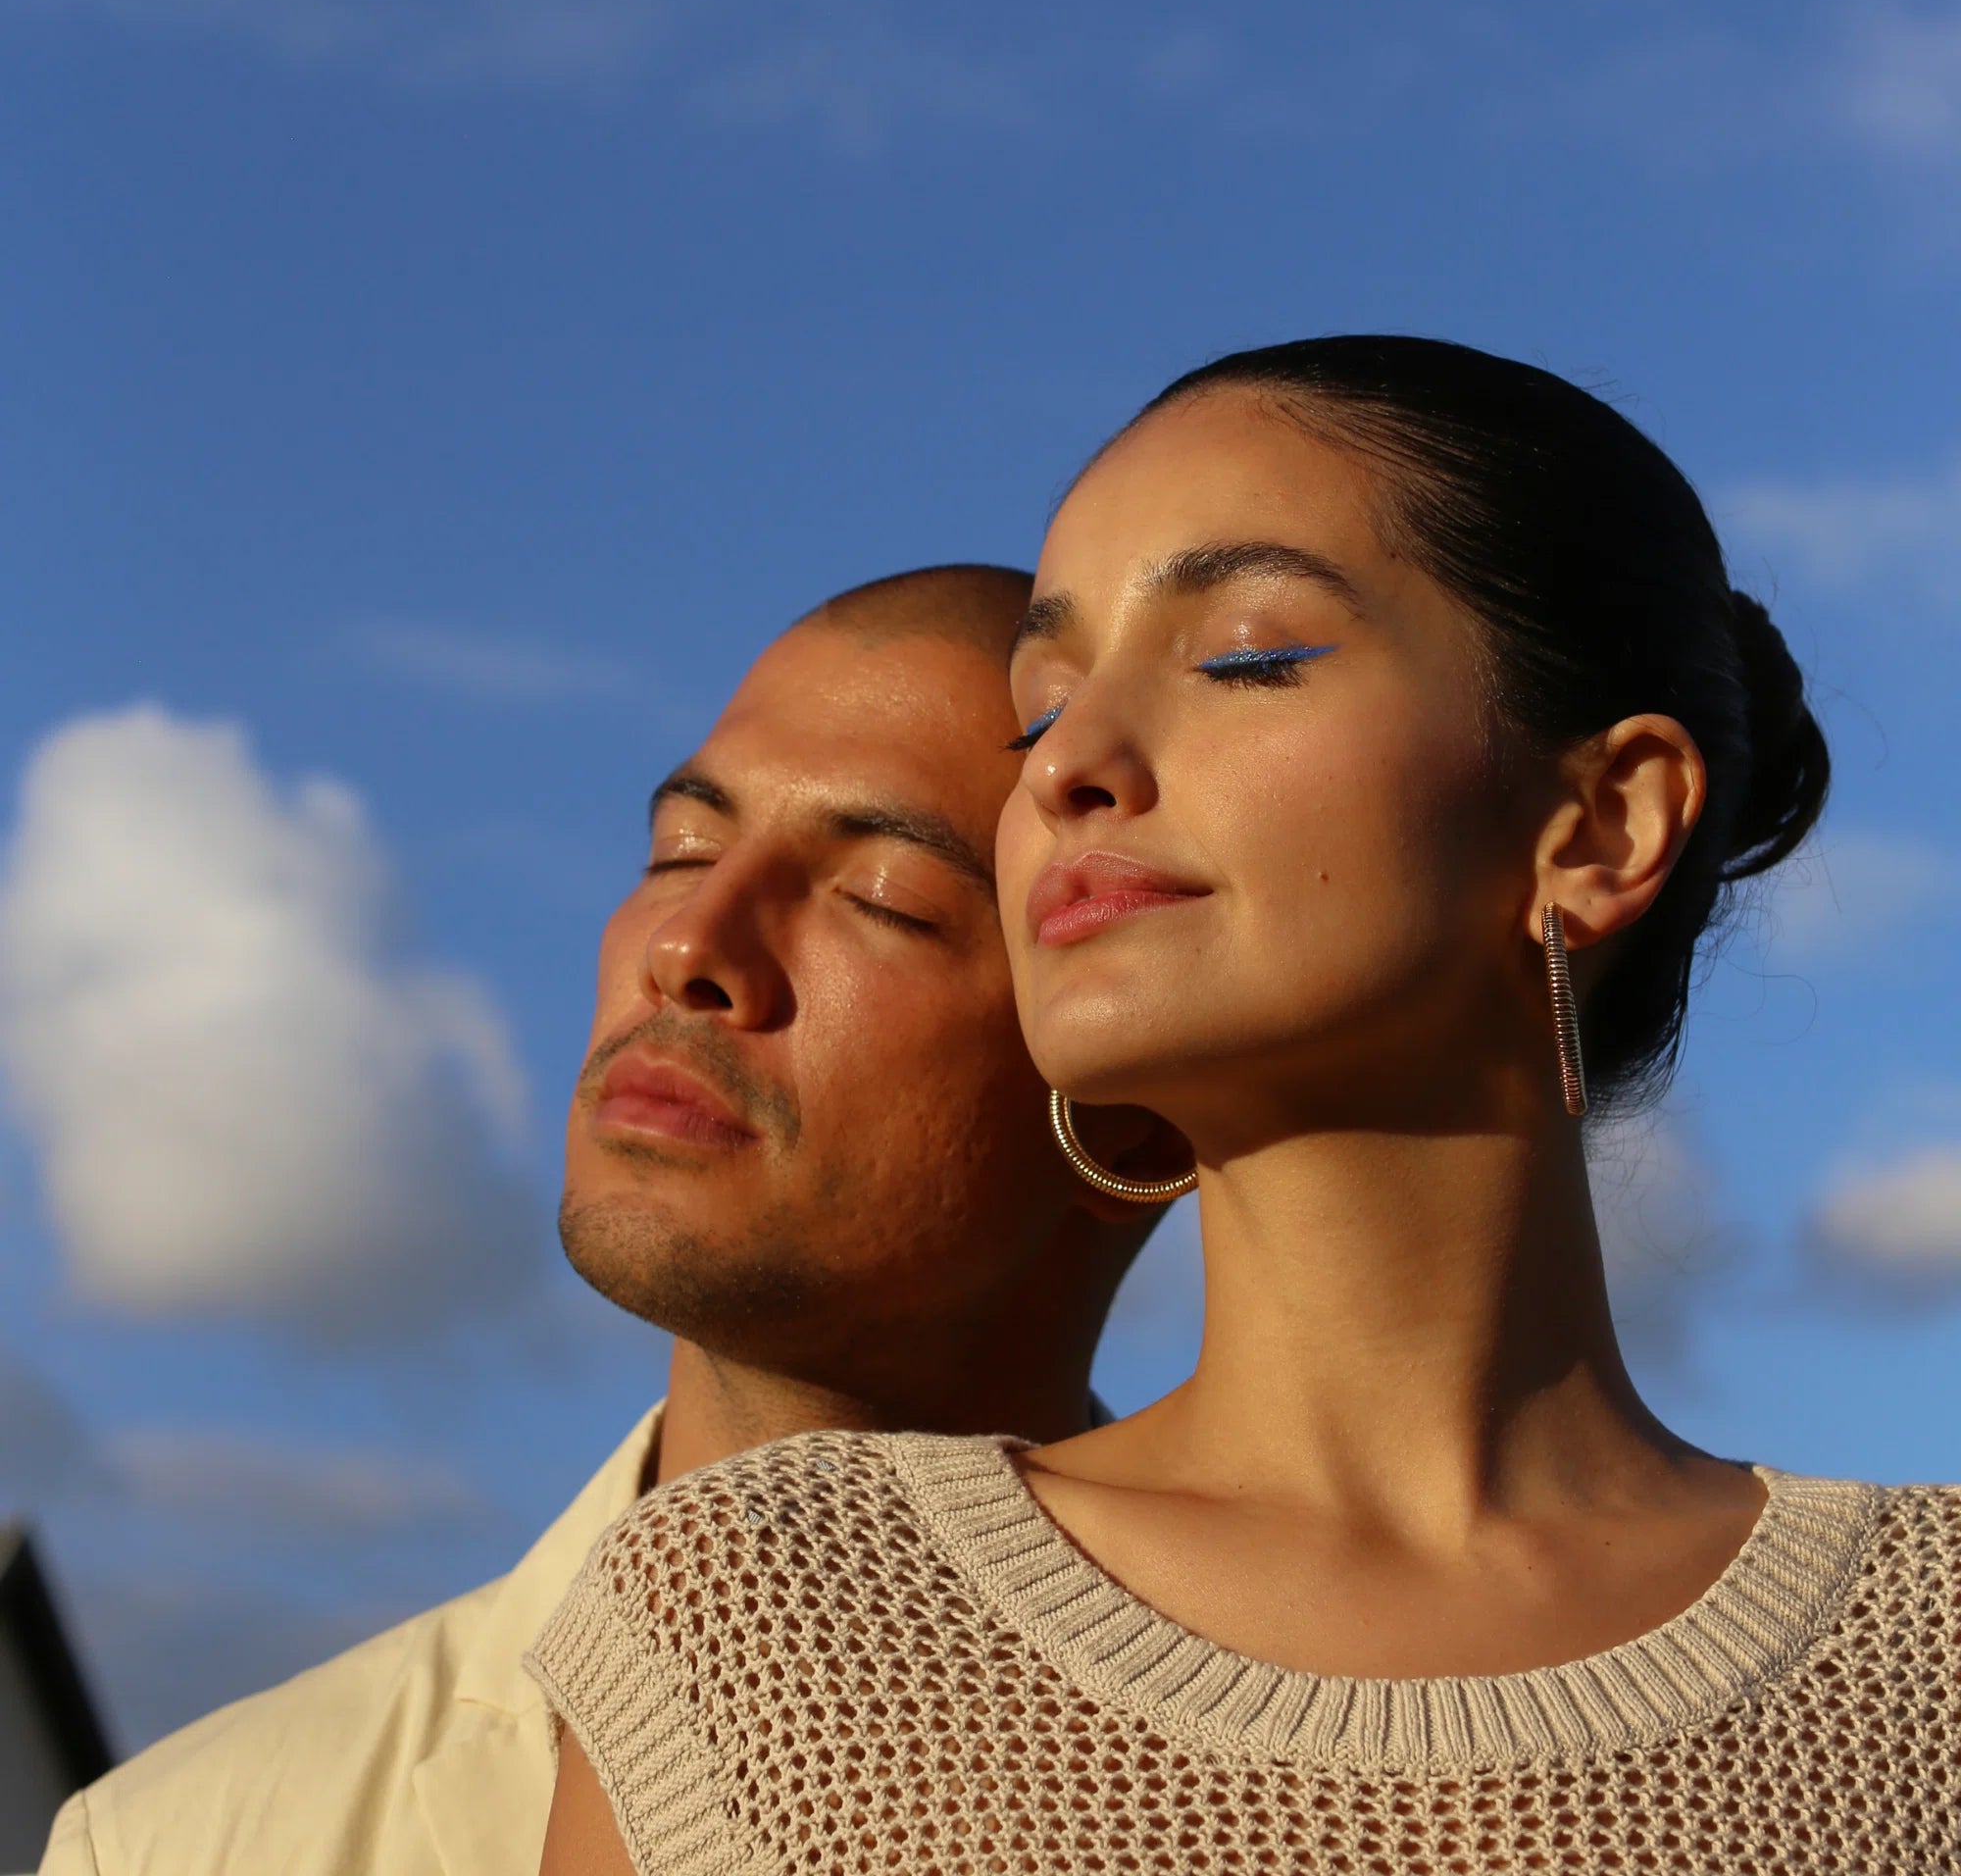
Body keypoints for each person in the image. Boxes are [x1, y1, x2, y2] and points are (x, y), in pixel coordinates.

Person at [534, 338, 1960, 1875]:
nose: (1069, 761)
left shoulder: (1928, 1666)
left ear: (1601, 824)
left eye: (1245, 658)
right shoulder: (766, 1628)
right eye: (1042, 706)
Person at [38, 564, 1170, 1876]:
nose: (688, 942)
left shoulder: (1356, 1778)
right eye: (681, 851)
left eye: (884, 900)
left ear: (1137, 1110)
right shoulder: (189, 1845)